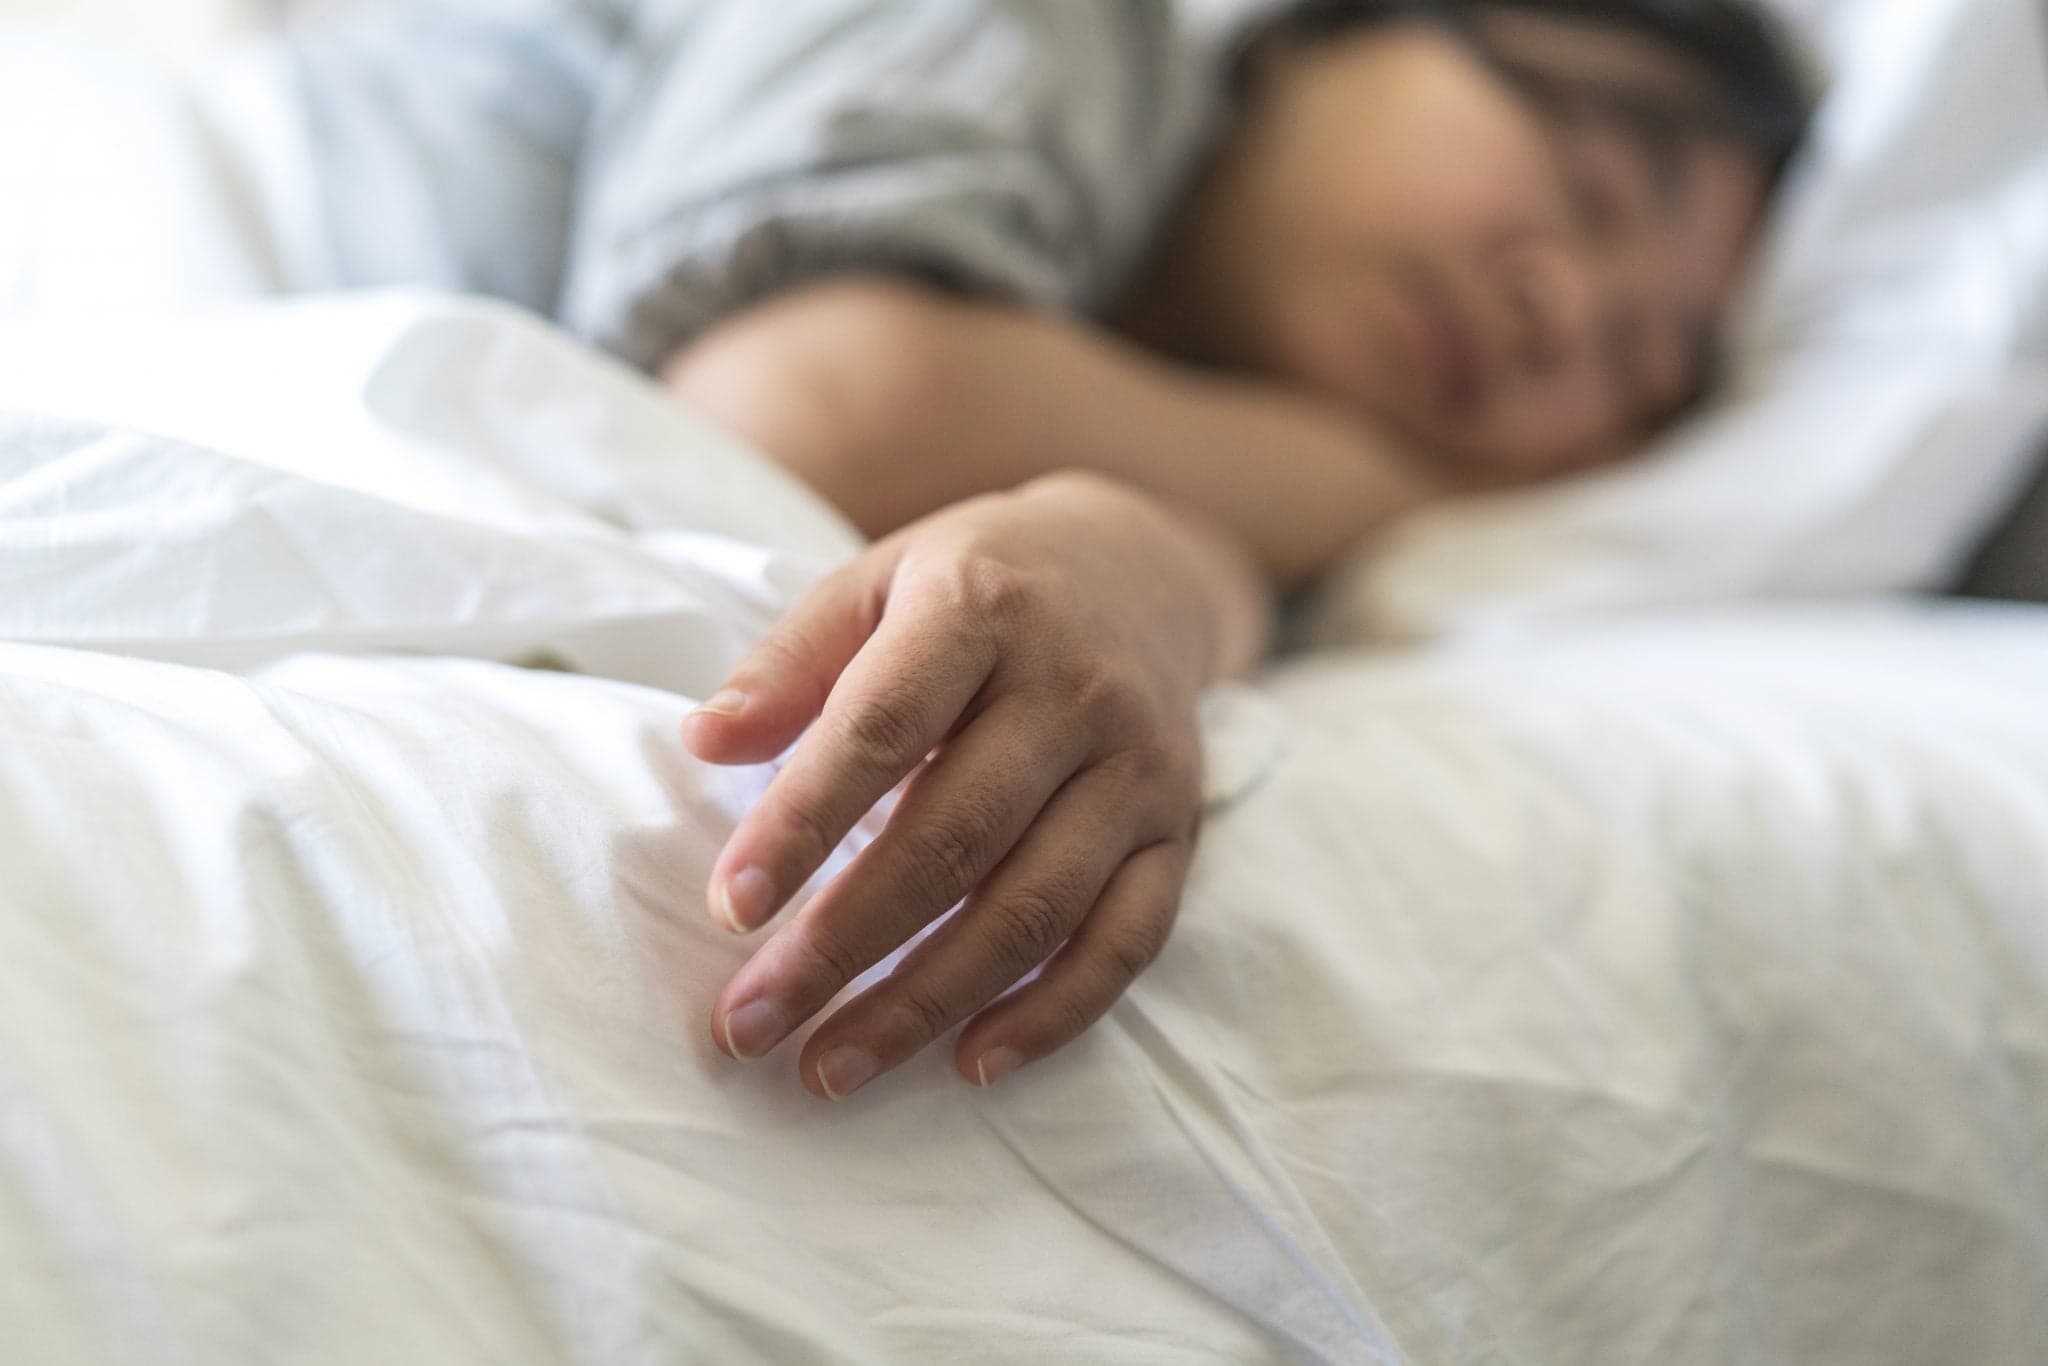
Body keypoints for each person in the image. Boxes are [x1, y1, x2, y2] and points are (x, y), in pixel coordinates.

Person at [277, 0, 1810, 1098]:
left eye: (1642, 368)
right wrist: (1377, 478)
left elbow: (1161, 540)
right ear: (1339, 28)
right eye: (1594, 184)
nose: (1565, 316)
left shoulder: (1202, 410)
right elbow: (811, 402)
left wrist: (1140, 562)